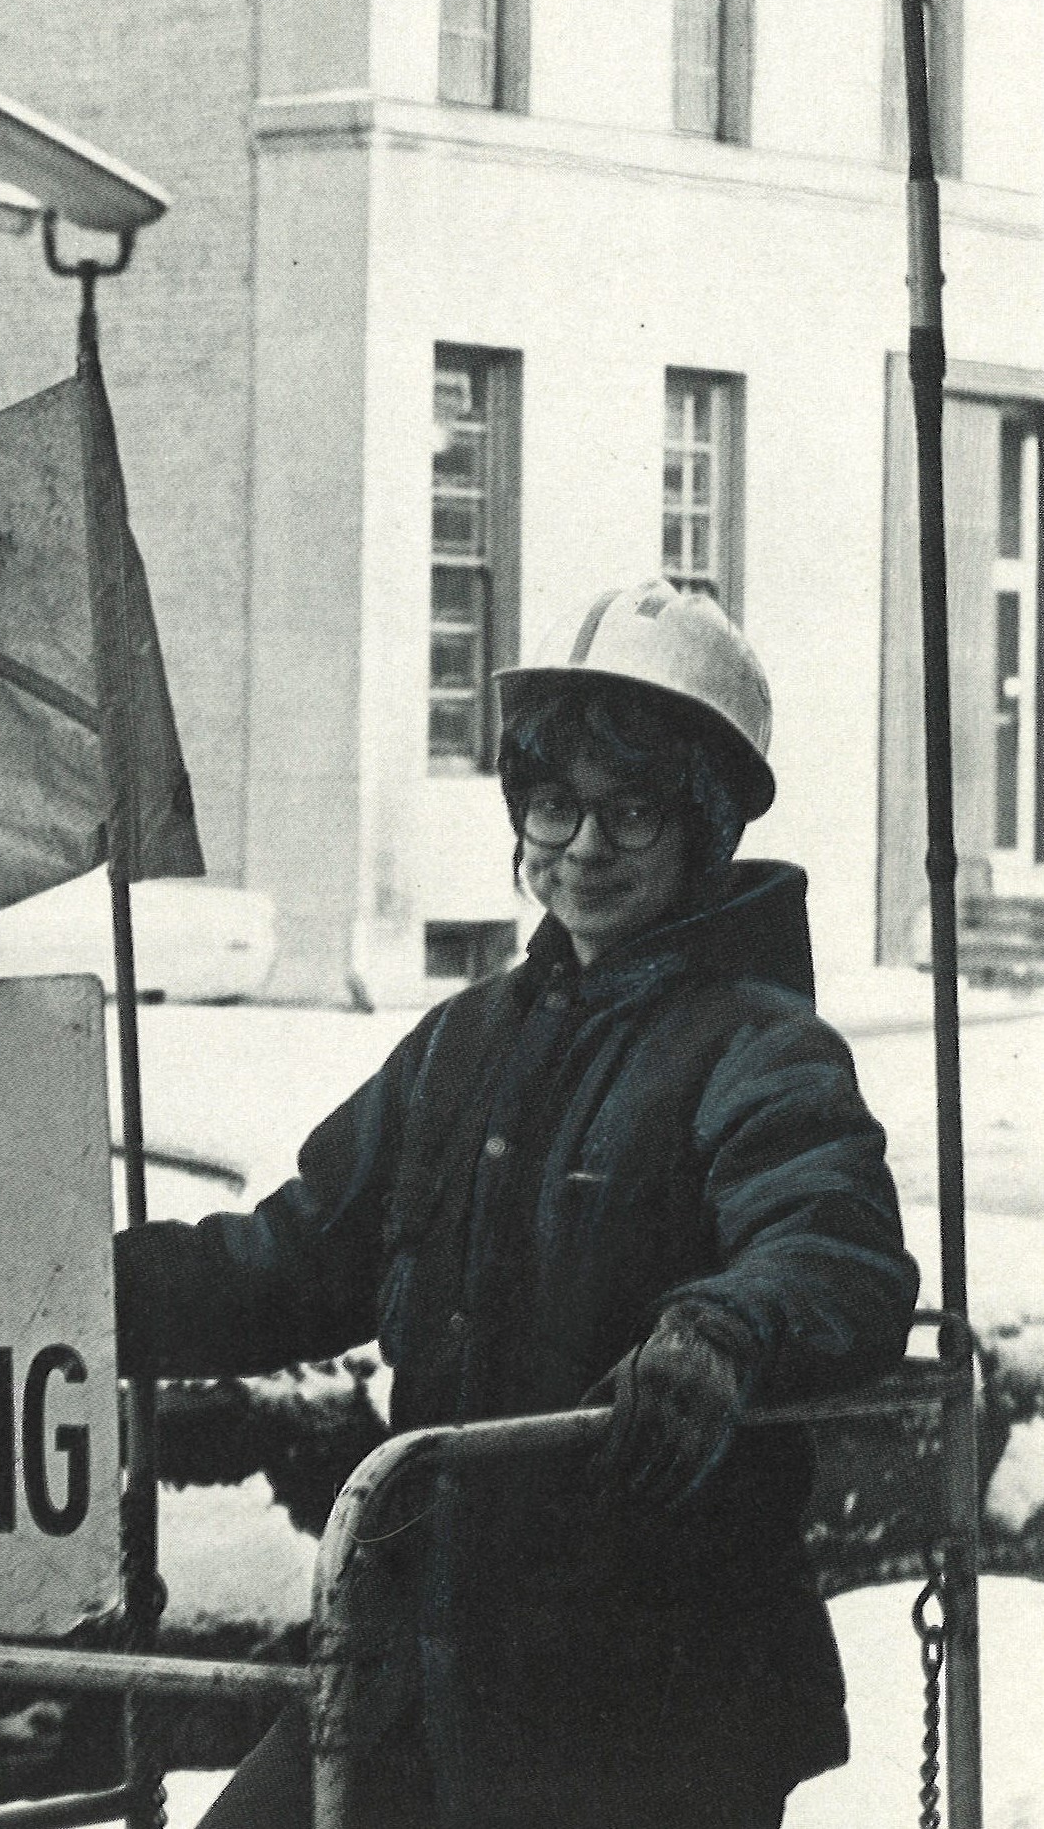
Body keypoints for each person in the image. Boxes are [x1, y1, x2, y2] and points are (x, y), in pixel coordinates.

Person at [114, 578, 919, 1828]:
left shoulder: (758, 1046)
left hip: (648, 1690)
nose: (583, 845)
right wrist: (67, 1292)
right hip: (420, 1650)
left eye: (632, 811)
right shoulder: (461, 1043)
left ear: (702, 830)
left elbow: (832, 1242)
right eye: (554, 802)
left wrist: (720, 1330)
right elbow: (292, 1257)